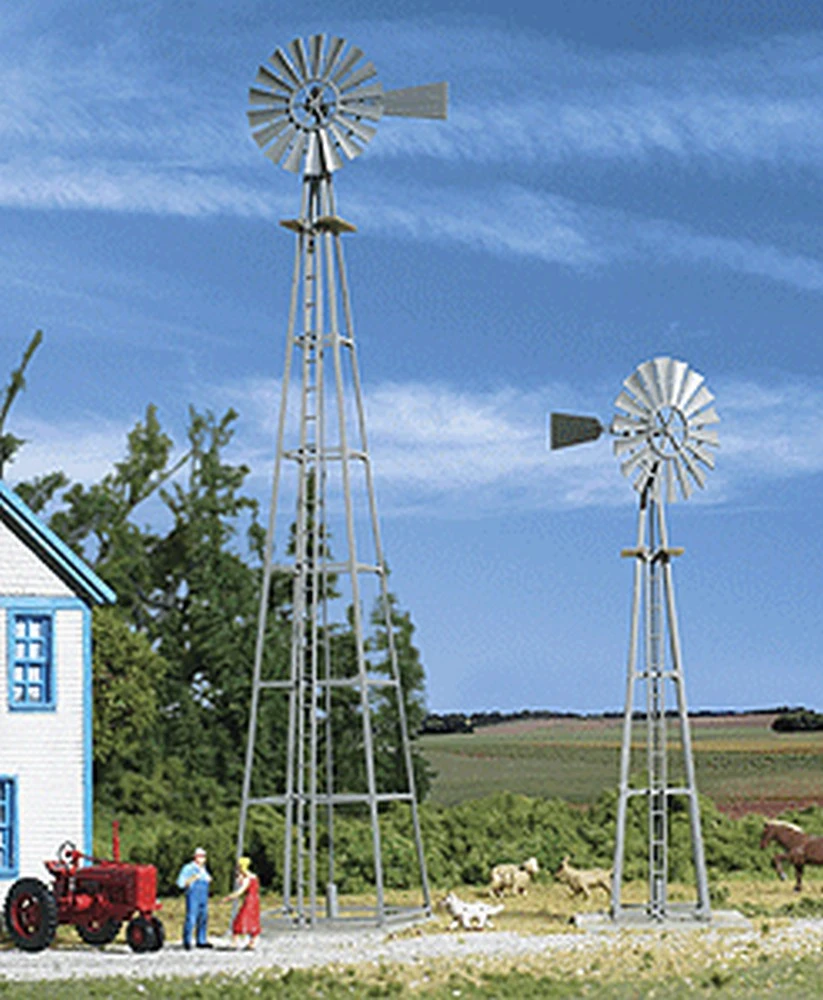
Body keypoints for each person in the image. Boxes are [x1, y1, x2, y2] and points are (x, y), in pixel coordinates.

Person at [176, 846, 212, 949]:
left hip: (203, 895)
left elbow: (207, 879)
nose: (202, 858)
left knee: (203, 917)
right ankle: (187, 941)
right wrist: (192, 879)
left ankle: (201, 940)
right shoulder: (188, 868)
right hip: (193, 895)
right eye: (200, 856)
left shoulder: (203, 869)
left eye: (204, 856)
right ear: (195, 857)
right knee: (191, 917)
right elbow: (180, 883)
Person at [222, 856, 261, 950]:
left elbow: (240, 892)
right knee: (253, 919)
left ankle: (235, 942)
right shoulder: (254, 876)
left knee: (240, 919)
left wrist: (228, 897)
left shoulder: (247, 879)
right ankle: (252, 941)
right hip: (256, 900)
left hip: (249, 900)